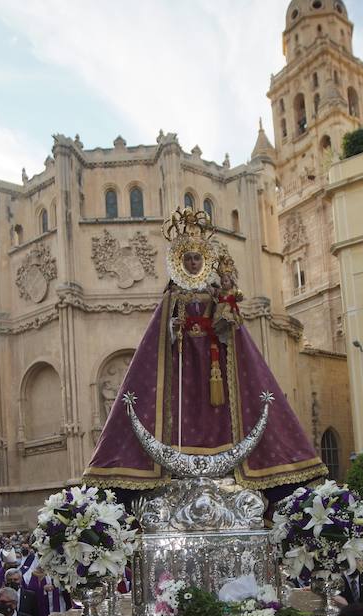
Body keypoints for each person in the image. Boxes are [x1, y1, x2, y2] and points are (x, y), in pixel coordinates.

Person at [82, 205, 327, 492]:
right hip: (182, 364)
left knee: (220, 409)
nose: (195, 262)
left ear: (205, 260)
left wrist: (225, 317)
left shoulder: (214, 295)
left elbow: (231, 328)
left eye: (198, 257)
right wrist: (172, 330)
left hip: (214, 365)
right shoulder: (172, 296)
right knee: (181, 407)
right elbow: (158, 336)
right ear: (180, 260)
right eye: (189, 258)